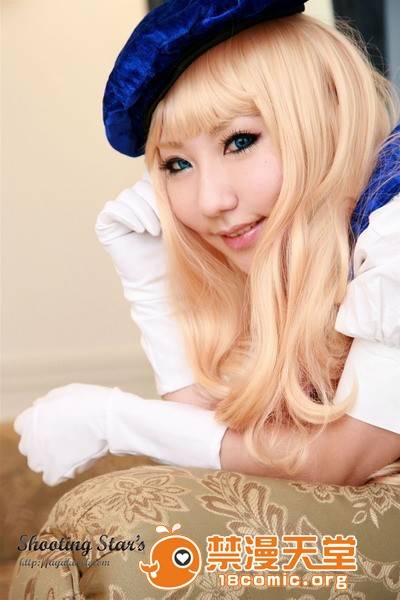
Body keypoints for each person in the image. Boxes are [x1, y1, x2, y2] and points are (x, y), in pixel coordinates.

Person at [14, 0, 400, 487]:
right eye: (177, 165)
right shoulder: (294, 264)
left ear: (327, 116)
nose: (211, 200)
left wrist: (116, 421)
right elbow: (226, 457)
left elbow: (338, 463)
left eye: (239, 141)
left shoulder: (393, 231)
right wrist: (148, 276)